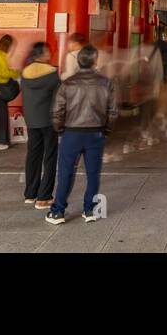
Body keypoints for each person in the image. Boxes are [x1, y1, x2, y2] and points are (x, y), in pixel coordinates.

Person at [47, 44, 118, 225]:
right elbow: (113, 112)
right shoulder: (106, 83)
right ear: (95, 61)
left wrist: (60, 129)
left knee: (65, 173)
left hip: (71, 133)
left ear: (79, 62)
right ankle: (90, 210)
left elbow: (57, 112)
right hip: (96, 133)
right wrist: (106, 130)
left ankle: (58, 212)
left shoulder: (68, 83)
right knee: (93, 174)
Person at [20, 42, 60, 208]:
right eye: (48, 52)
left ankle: (30, 193)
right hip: (49, 121)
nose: (50, 55)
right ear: (43, 54)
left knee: (33, 155)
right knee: (49, 157)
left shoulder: (24, 73)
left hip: (31, 120)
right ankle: (44, 196)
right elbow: (60, 97)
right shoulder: (52, 74)